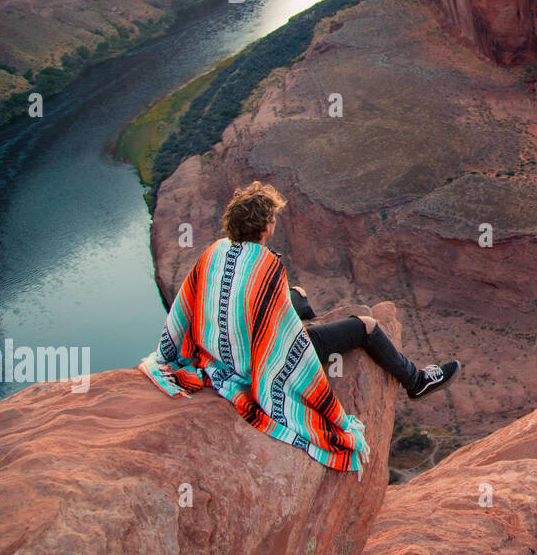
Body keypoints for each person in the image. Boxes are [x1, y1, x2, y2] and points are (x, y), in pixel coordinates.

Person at [139, 181, 460, 474]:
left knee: (299, 296)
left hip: (215, 352)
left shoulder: (214, 251)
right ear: (265, 226)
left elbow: (185, 304)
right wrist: (304, 363)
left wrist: (170, 352)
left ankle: (308, 313)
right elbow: (284, 337)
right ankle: (415, 381)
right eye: (273, 219)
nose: (274, 224)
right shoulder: (266, 266)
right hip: (262, 354)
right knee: (367, 325)